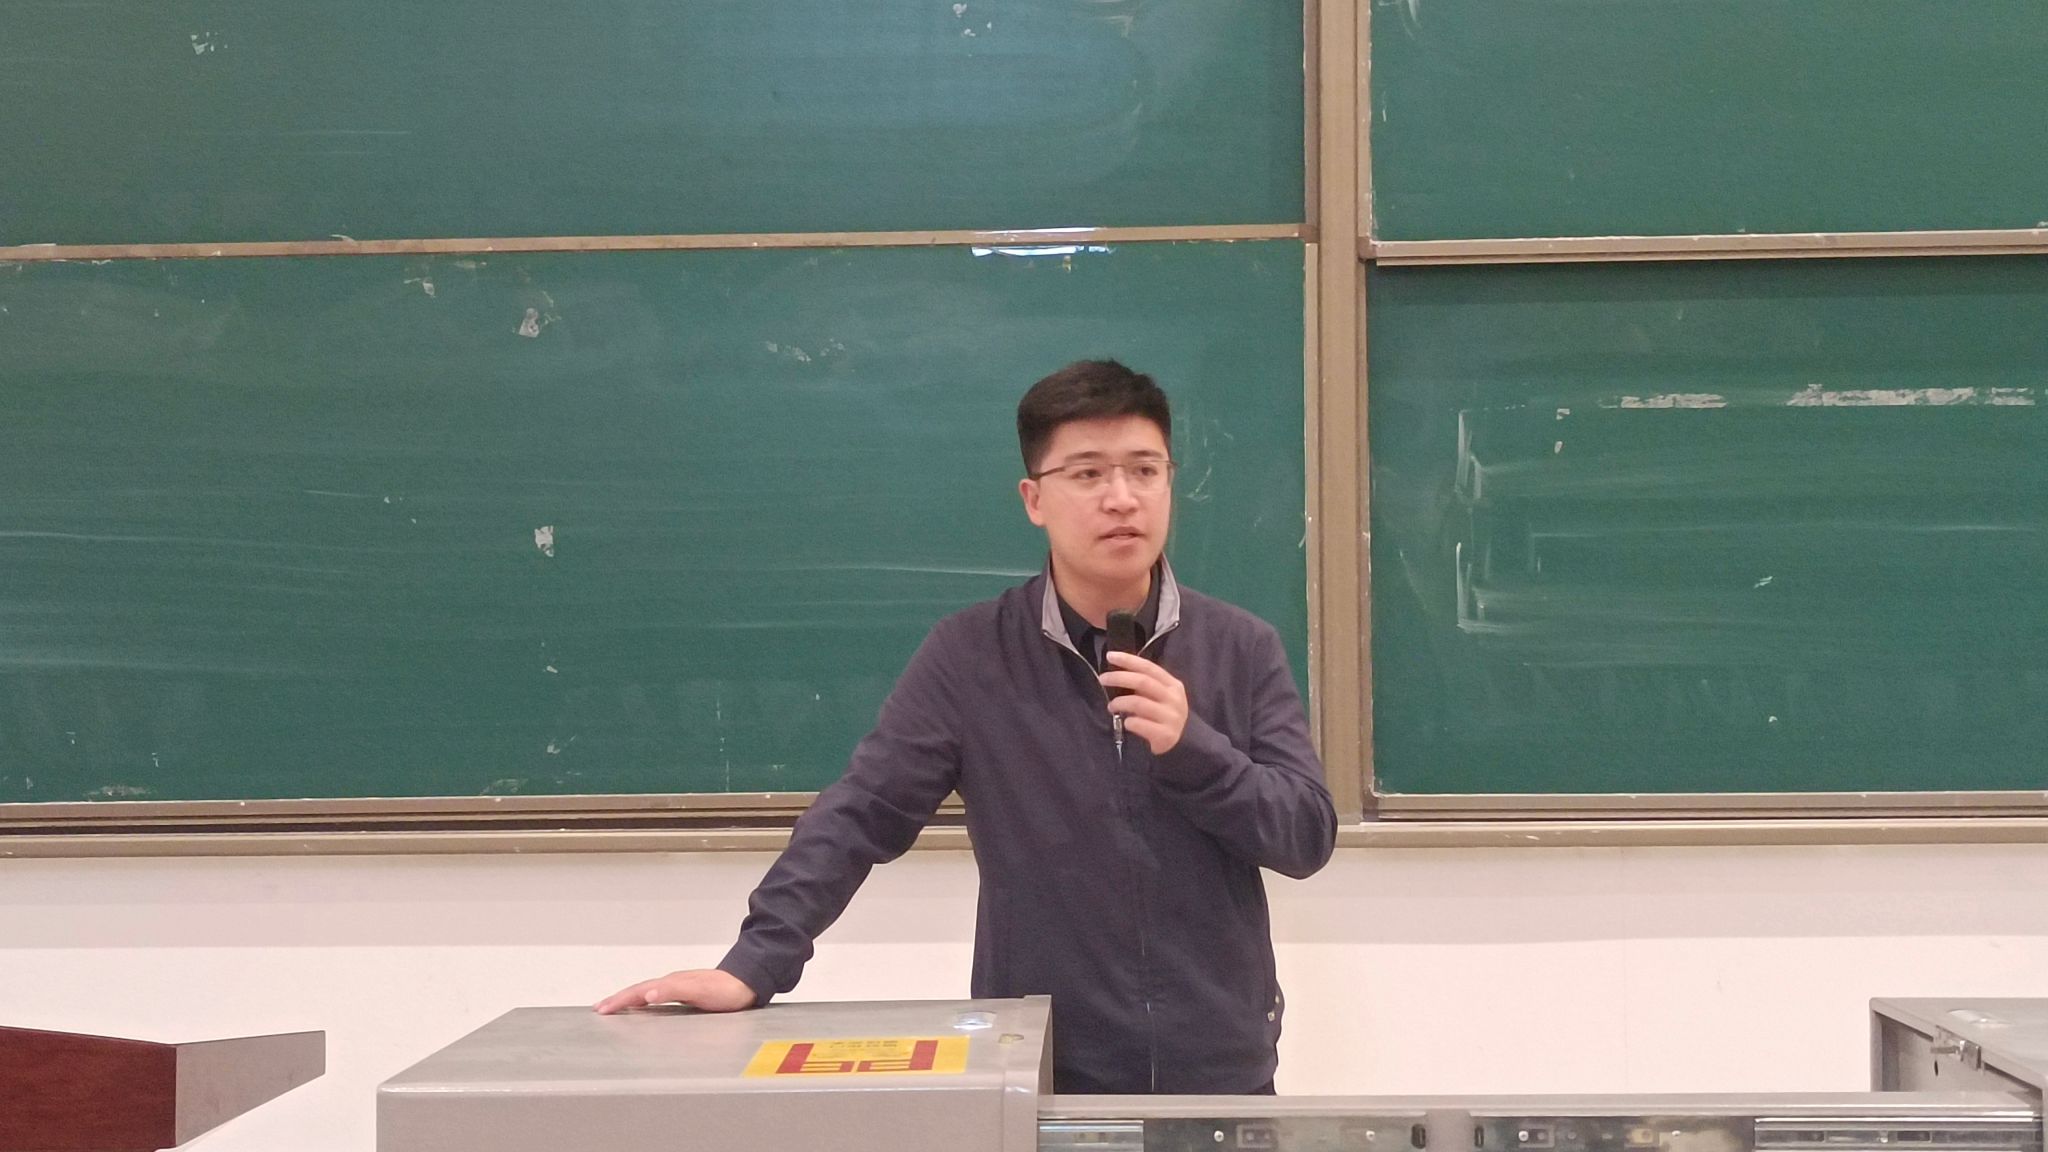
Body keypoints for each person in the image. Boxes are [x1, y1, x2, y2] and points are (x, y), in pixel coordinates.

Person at [596, 359, 1337, 1094]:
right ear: (1034, 499)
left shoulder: (1241, 647)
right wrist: (754, 965)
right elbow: (861, 814)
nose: (1121, 498)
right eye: (1087, 474)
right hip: (1042, 1072)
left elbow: (1305, 836)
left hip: (1221, 1071)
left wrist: (1194, 751)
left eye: (1145, 470)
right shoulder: (972, 654)